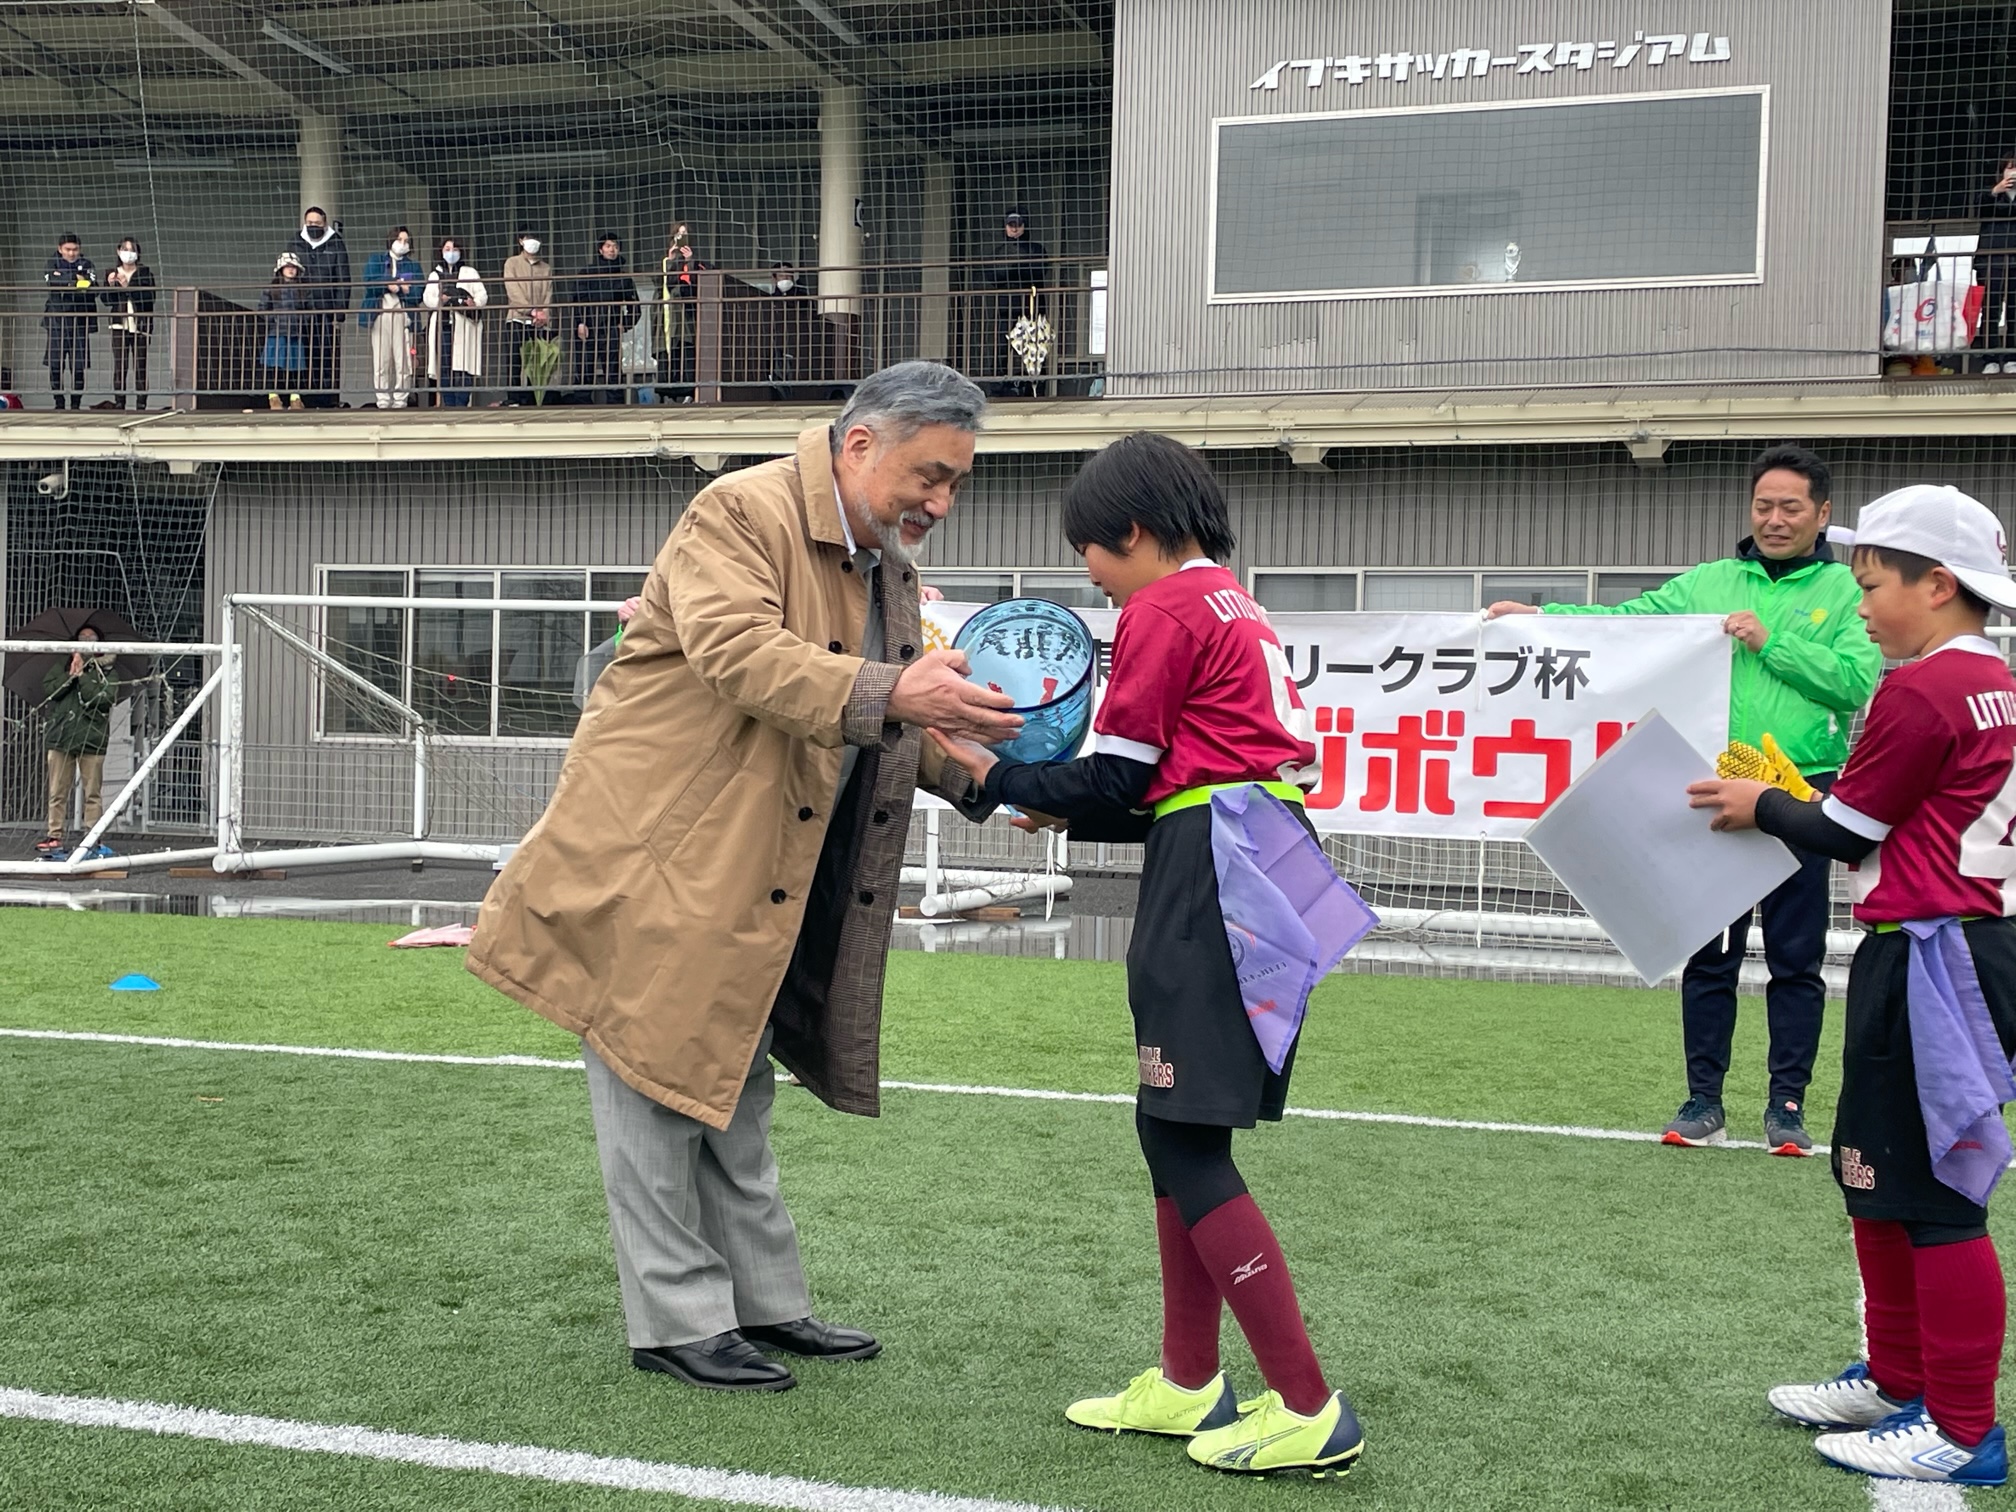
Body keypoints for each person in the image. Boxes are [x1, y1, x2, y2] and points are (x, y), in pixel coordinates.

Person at [465, 361, 1019, 1394]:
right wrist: (905, 694)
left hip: (751, 864)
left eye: (956, 483)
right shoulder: (737, 510)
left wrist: (997, 778)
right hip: (656, 858)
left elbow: (893, 713)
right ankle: (676, 1321)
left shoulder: (881, 560)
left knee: (731, 1084)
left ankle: (763, 1303)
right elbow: (741, 657)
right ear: (862, 445)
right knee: (651, 1085)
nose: (941, 502)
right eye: (931, 476)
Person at [929, 434, 1364, 1480]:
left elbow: (1122, 780)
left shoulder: (1164, 608)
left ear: (1130, 530)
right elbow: (1165, 789)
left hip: (1218, 871)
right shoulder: (1233, 602)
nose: (1089, 574)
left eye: (1089, 550)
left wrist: (993, 777)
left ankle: (1309, 1406)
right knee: (1172, 1124)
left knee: (1182, 1137)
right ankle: (1187, 1381)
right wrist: (1051, 802)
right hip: (1254, 850)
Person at [1688, 484, 2016, 1488]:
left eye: (1873, 586)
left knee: (1934, 1195)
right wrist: (1790, 796)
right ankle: (1898, 1380)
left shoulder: (1924, 689)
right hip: (1947, 946)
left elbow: (1846, 830)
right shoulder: (1989, 681)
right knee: (1872, 1175)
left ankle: (1960, 1428)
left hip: (1935, 953)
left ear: (1939, 584)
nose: (1860, 605)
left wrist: (1762, 801)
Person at [1488, 445, 1882, 1154]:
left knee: (1797, 957)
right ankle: (1704, 1100)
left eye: (1791, 507)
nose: (1775, 519)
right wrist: (1539, 619)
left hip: (1801, 790)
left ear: (1822, 513)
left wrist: (1770, 642)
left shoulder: (1847, 591)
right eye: (1763, 505)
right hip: (1714, 785)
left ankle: (1786, 1106)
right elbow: (1628, 623)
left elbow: (1854, 681)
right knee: (1711, 955)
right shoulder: (1709, 581)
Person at [36, 626, 118, 858]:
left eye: (92, 637)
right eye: (82, 637)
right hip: (61, 737)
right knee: (57, 791)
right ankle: (54, 836)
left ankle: (92, 836)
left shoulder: (108, 670)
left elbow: (103, 699)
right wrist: (70, 675)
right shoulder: (63, 664)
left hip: (92, 739)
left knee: (92, 792)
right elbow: (50, 691)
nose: (86, 641)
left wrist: (82, 677)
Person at [978, 208, 1049, 396]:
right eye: (1011, 225)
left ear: (1025, 226)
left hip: (1032, 308)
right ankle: (997, 389)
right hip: (1006, 308)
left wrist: (1011, 266)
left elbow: (1038, 271)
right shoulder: (1000, 252)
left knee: (1034, 350)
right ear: (1005, 227)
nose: (1014, 229)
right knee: (1001, 349)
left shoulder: (1035, 249)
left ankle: (1034, 389)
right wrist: (1019, 265)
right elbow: (992, 276)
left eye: (1018, 225)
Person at [287, 206, 351, 408]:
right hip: (300, 310)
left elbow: (343, 279)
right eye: (310, 223)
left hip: (325, 310)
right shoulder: (295, 242)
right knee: (300, 354)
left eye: (317, 223)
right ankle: (300, 397)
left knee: (324, 355)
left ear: (325, 223)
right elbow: (287, 274)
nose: (313, 226)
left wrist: (339, 313)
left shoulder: (336, 244)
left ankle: (323, 399)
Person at [359, 228, 423, 410]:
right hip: (380, 313)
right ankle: (383, 398)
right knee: (381, 359)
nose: (402, 244)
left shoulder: (413, 266)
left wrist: (404, 289)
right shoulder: (376, 260)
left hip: (403, 314)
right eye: (399, 239)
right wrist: (388, 284)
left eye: (406, 241)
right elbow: (369, 283)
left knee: (403, 359)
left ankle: (401, 398)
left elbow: (419, 292)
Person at [423, 238, 488, 407]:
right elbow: (428, 298)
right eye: (447, 249)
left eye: (455, 249)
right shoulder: (435, 274)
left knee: (464, 365)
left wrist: (474, 303)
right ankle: (449, 403)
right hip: (443, 325)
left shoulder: (470, 272)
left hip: (464, 325)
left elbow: (482, 295)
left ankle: (462, 403)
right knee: (444, 366)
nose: (451, 252)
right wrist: (441, 300)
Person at [96, 238, 156, 411]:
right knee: (120, 365)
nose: (128, 253)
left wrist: (127, 286)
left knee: (140, 365)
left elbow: (149, 299)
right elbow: (107, 300)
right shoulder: (112, 272)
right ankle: (120, 402)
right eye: (125, 249)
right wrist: (110, 285)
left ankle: (141, 403)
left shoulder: (145, 274)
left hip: (140, 326)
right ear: (118, 251)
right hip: (119, 325)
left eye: (132, 250)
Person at [41, 233, 95, 411]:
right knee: (55, 363)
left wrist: (68, 280)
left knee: (78, 365)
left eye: (75, 249)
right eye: (68, 249)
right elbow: (53, 282)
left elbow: (92, 287)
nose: (71, 253)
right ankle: (59, 402)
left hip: (79, 321)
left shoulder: (87, 264)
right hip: (56, 321)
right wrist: (75, 280)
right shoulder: (52, 263)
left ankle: (76, 404)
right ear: (60, 249)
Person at [657, 225, 710, 403]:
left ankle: (690, 392)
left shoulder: (698, 262)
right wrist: (671, 260)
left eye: (685, 234)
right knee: (671, 355)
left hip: (690, 318)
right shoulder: (667, 263)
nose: (682, 238)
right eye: (678, 235)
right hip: (670, 321)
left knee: (688, 354)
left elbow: (702, 283)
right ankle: (669, 394)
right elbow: (663, 285)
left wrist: (690, 261)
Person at [502, 230, 553, 406]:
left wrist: (543, 313)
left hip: (539, 323)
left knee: (537, 362)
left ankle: (533, 399)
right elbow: (513, 291)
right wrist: (530, 310)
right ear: (520, 241)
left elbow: (548, 294)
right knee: (515, 360)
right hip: (517, 319)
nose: (533, 242)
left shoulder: (545, 268)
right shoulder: (512, 263)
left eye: (536, 238)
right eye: (528, 238)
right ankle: (513, 398)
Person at [259, 253, 311, 410]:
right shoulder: (272, 288)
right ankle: (273, 397)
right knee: (273, 367)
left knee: (296, 368)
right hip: (276, 334)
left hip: (295, 334)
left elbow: (309, 309)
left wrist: (301, 321)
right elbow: (263, 309)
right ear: (281, 269)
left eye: (293, 267)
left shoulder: (303, 290)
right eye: (287, 266)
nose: (291, 269)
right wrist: (273, 320)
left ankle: (295, 399)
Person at [765, 261, 814, 402]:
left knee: (796, 372)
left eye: (788, 274)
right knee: (777, 371)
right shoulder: (770, 300)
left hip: (797, 342)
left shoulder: (803, 298)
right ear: (774, 278)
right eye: (781, 275)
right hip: (776, 341)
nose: (785, 277)